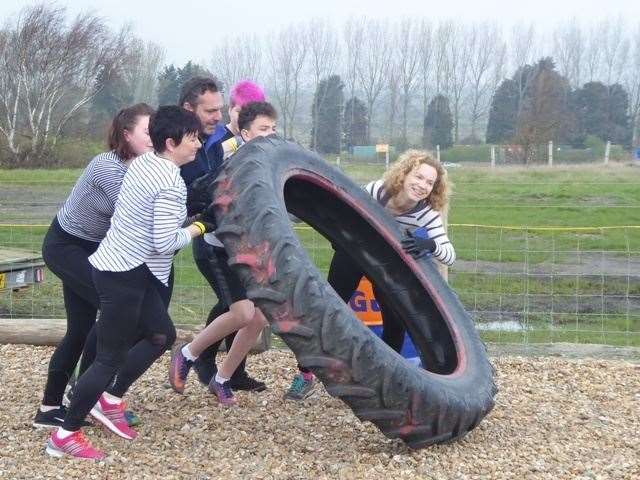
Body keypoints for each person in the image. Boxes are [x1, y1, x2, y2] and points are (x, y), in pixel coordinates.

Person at [45, 106, 214, 460]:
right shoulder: (168, 181)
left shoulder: (144, 163)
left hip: (125, 268)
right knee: (108, 358)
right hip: (122, 275)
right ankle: (65, 434)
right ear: (170, 142)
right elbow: (165, 242)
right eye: (193, 138)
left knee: (160, 335)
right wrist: (201, 226)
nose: (198, 145)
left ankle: (110, 399)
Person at [284, 149, 456, 400]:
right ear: (405, 173)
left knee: (395, 321)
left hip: (388, 264)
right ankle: (305, 375)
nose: (422, 185)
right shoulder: (379, 191)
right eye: (418, 177)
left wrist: (430, 245)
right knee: (326, 309)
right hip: (354, 254)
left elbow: (449, 255)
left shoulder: (427, 214)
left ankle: (388, 381)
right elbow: (346, 209)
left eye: (429, 183)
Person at [33, 103, 154, 429]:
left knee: (81, 329)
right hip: (66, 246)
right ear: (126, 135)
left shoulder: (141, 169)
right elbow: (138, 215)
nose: (154, 137)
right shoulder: (108, 168)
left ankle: (49, 409)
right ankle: (83, 393)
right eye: (147, 131)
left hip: (92, 250)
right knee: (115, 313)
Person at [168, 101, 278, 407]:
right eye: (262, 129)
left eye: (273, 129)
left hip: (248, 248)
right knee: (242, 312)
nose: (270, 134)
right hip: (218, 247)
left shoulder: (270, 162)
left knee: (260, 316)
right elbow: (208, 195)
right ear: (244, 133)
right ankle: (188, 354)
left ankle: (223, 378)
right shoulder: (231, 158)